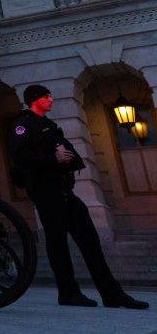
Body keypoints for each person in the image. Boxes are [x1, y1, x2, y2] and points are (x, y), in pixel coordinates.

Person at [8, 85, 148, 309]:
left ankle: (112, 294)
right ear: (35, 100)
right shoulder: (22, 125)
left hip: (64, 191)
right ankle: (68, 293)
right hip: (46, 193)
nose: (51, 99)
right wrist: (53, 158)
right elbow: (19, 157)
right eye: (47, 96)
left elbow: (62, 153)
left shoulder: (47, 125)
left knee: (90, 241)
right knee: (58, 244)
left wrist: (67, 159)